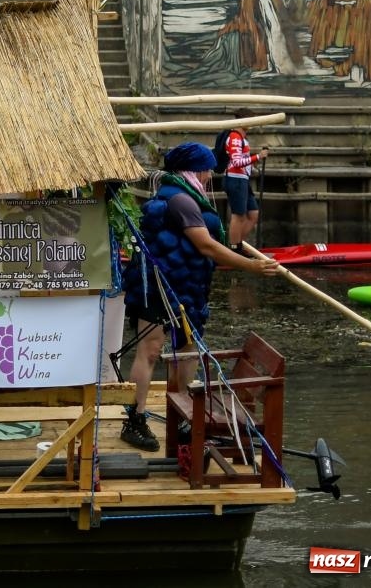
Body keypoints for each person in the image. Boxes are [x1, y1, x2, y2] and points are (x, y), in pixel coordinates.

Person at [119, 143, 279, 452]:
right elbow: (206, 246)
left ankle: (180, 417)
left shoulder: (186, 195)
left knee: (188, 349)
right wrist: (253, 267)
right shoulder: (180, 200)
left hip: (186, 287)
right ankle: (135, 421)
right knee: (150, 351)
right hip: (158, 286)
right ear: (192, 171)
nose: (208, 177)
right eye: (206, 171)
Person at [219, 114, 268, 249]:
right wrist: (258, 156)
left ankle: (238, 244)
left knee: (253, 214)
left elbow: (243, 161)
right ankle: (234, 248)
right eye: (250, 119)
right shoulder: (234, 137)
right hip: (235, 180)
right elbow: (236, 162)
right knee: (238, 215)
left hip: (243, 180)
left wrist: (253, 165)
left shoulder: (243, 138)